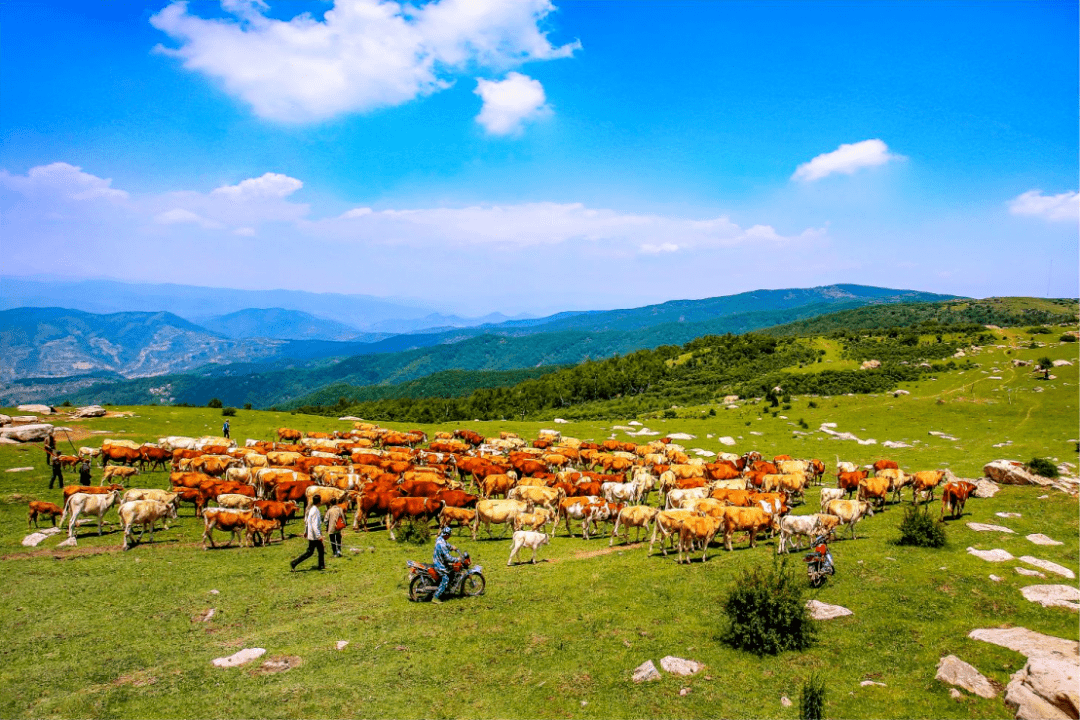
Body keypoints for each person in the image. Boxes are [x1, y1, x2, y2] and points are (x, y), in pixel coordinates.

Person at [290, 494, 325, 571]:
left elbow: (307, 522)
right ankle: (294, 563)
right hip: (314, 536)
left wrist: (306, 532)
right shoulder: (315, 511)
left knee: (321, 550)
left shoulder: (311, 509)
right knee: (310, 552)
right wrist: (319, 536)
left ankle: (321, 565)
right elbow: (315, 525)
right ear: (319, 502)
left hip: (311, 534)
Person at [431, 526, 460, 604]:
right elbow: (448, 558)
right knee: (445, 579)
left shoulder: (440, 539)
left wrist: (452, 547)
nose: (449, 537)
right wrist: (457, 559)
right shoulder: (442, 545)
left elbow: (446, 544)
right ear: (446, 535)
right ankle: (435, 597)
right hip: (439, 564)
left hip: (438, 560)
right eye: (449, 535)